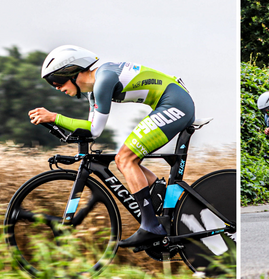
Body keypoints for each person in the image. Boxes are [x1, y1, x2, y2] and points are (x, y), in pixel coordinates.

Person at [28, 45, 195, 247]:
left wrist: (55, 117)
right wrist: (57, 127)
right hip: (172, 101)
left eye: (57, 81)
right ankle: (157, 191)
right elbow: (91, 131)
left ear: (71, 71)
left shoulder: (103, 80)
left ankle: (151, 226)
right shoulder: (94, 89)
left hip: (175, 103)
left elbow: (94, 130)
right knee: (124, 159)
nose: (56, 87)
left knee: (125, 158)